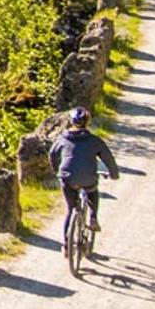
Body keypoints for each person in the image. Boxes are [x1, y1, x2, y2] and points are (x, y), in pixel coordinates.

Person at [53, 109, 114, 271]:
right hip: (88, 177)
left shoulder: (62, 139)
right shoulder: (94, 140)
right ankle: (93, 218)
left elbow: (52, 154)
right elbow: (107, 158)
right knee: (92, 191)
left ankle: (66, 246)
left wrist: (56, 170)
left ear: (71, 122)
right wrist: (114, 173)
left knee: (70, 209)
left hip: (67, 177)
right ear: (88, 122)